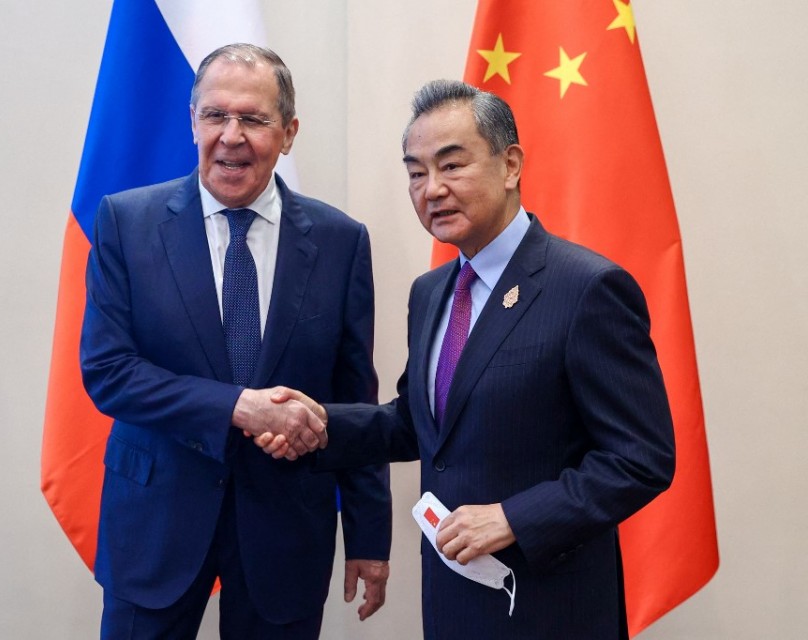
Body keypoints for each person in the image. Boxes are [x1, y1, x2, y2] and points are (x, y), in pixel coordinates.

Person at [256, 79, 676, 639]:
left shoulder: (586, 288)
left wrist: (513, 518)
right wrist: (318, 424)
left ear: (510, 166)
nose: (432, 189)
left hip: (550, 607)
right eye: (416, 173)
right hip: (453, 601)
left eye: (452, 166)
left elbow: (640, 459)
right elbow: (419, 424)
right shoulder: (432, 292)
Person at [80, 43, 391, 640]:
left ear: (289, 132)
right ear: (192, 121)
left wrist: (369, 536)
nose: (231, 136)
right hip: (156, 524)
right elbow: (109, 372)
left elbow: (355, 399)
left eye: (252, 118)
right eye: (215, 115)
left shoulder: (340, 241)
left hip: (286, 528)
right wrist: (239, 407)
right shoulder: (127, 222)